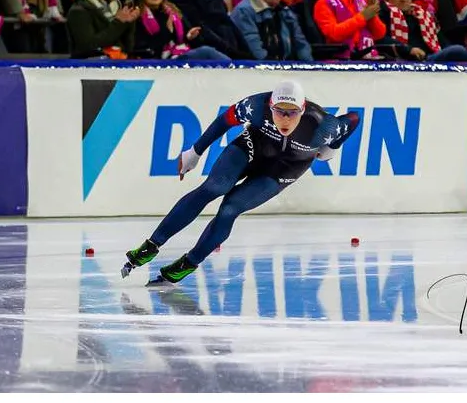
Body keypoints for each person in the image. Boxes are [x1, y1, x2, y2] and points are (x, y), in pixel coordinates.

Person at [123, 80, 359, 285]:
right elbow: (223, 122)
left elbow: (353, 119)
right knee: (213, 187)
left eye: (292, 113)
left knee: (229, 209)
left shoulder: (322, 126)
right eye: (279, 111)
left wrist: (333, 147)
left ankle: (189, 263)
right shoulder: (256, 106)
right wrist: (195, 152)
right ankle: (150, 246)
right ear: (270, 106)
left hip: (283, 169)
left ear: (303, 108)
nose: (285, 119)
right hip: (252, 147)